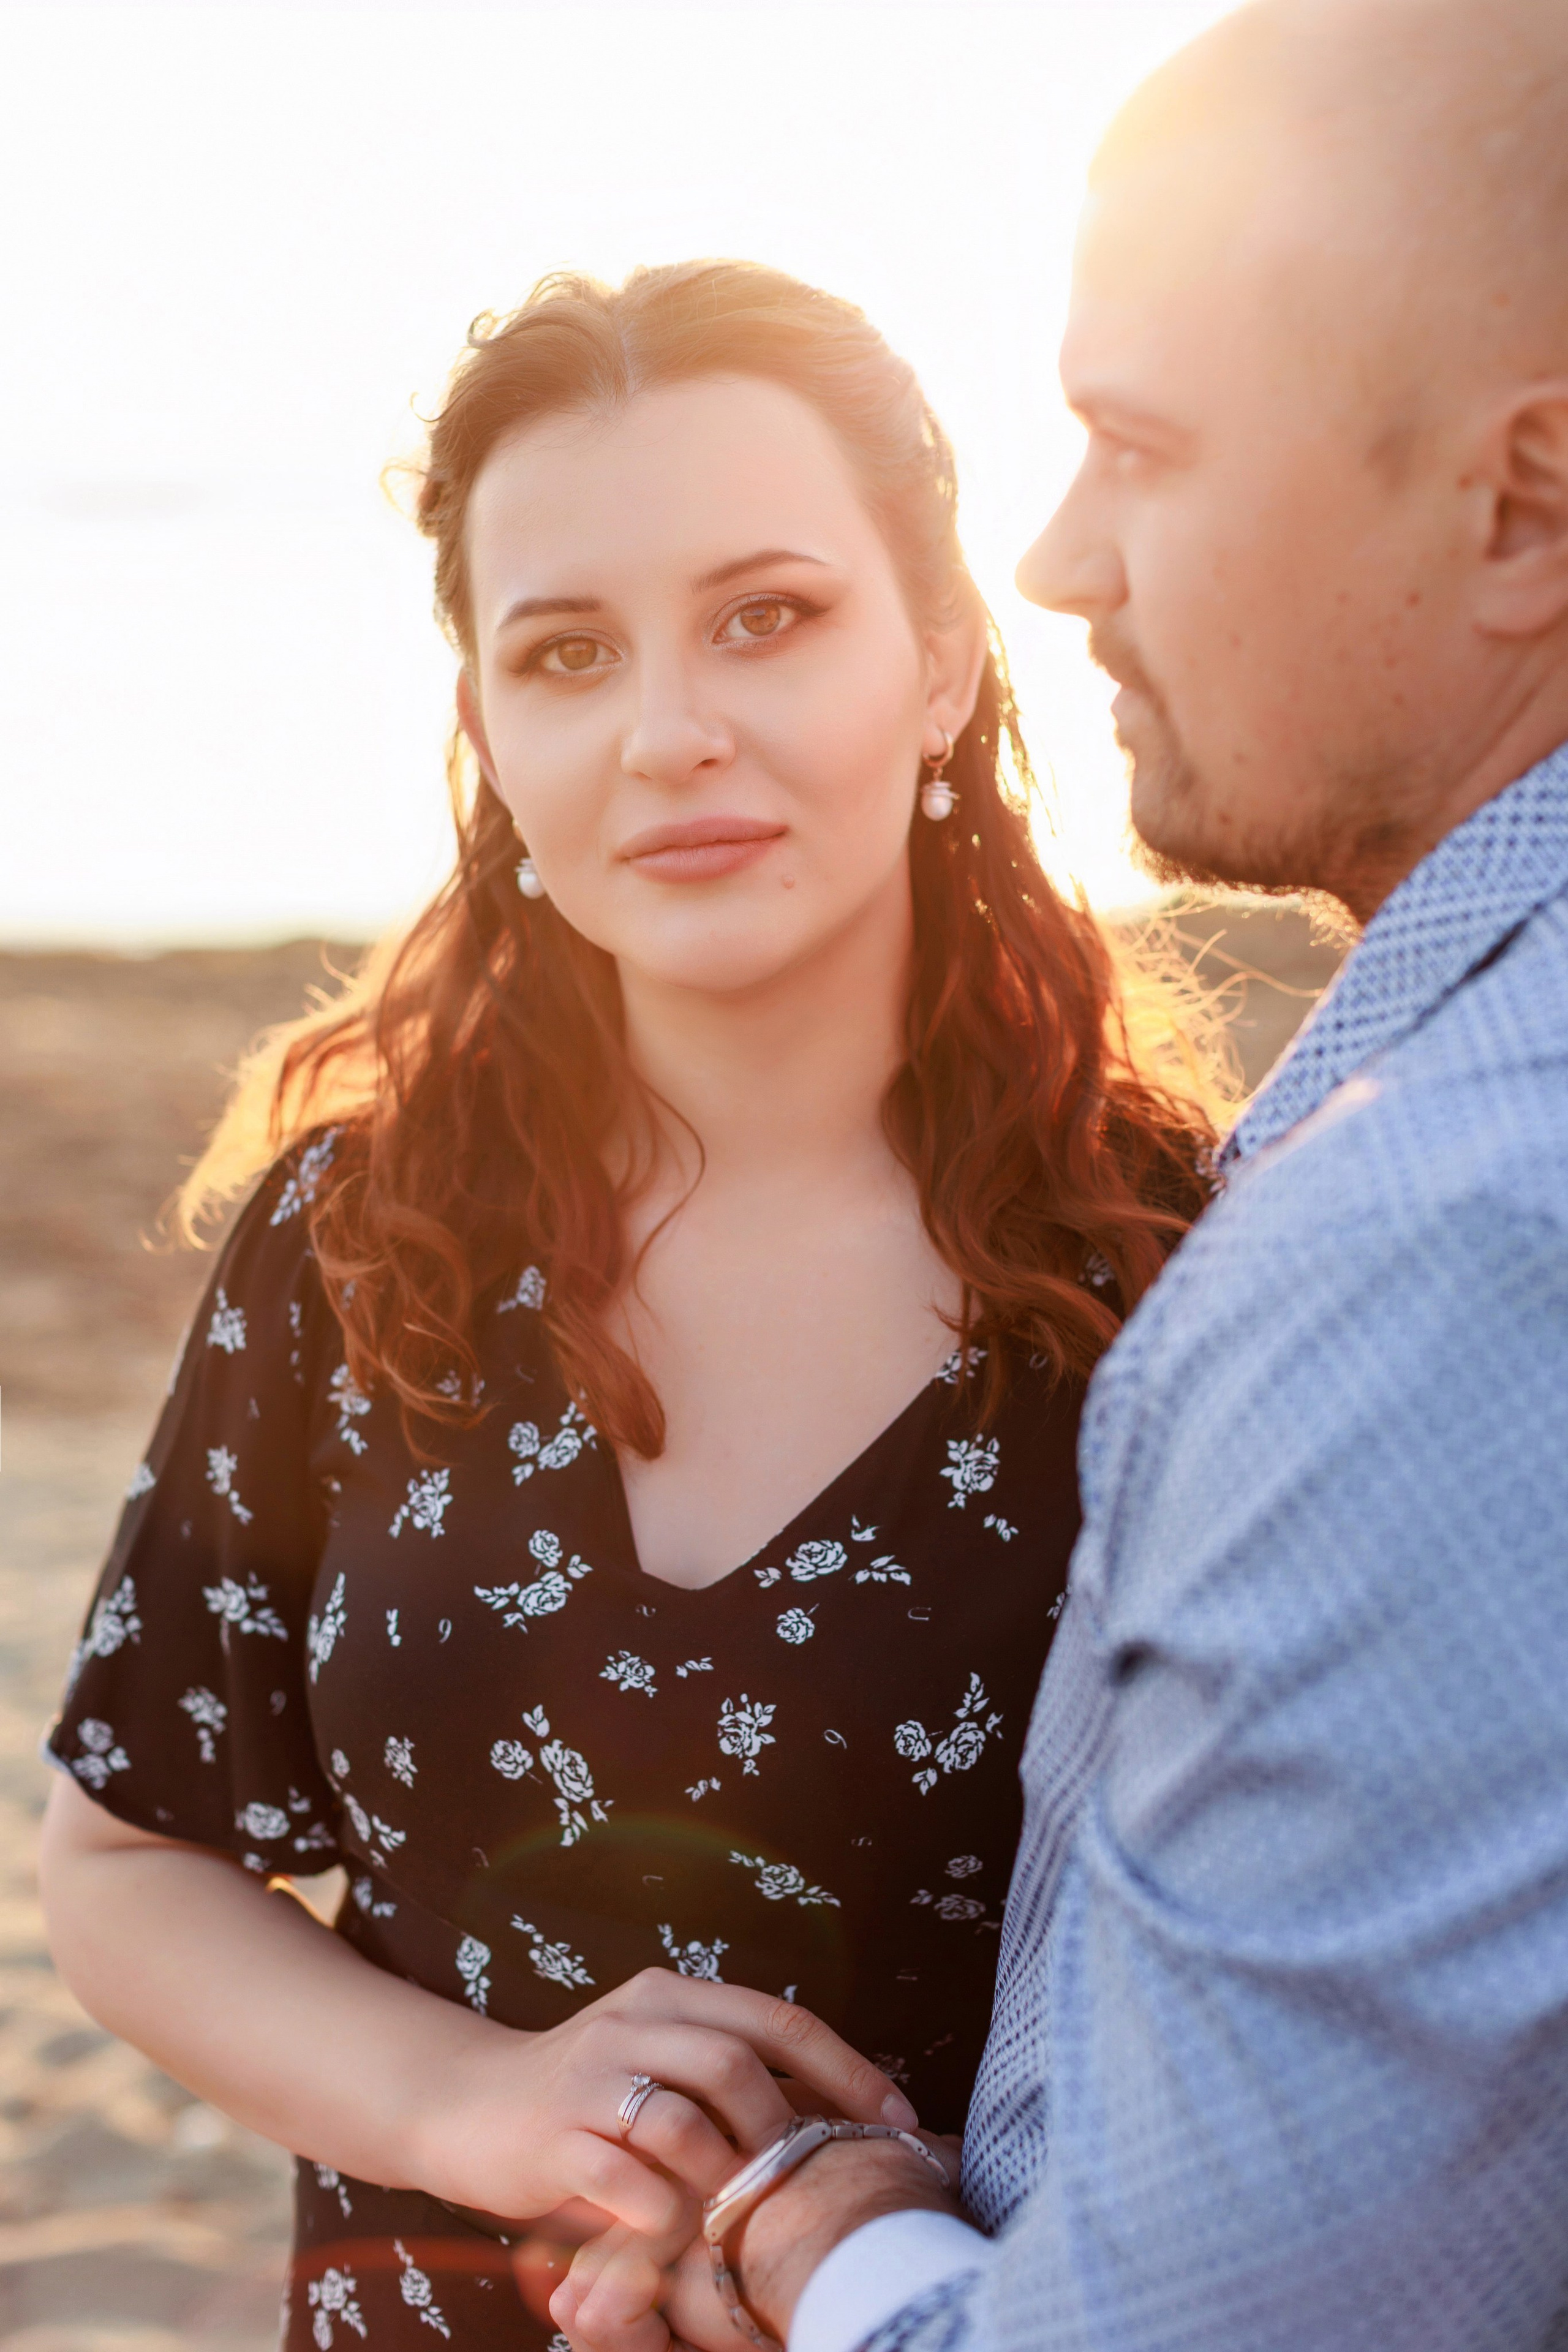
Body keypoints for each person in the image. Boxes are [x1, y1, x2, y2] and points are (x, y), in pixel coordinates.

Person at [36, 262, 1213, 2347]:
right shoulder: (357, 1238)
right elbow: (135, 1866)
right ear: (490, 728)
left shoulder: (1180, 1273)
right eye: (569, 653)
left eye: (767, 615)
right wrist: (482, 2107)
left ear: (942, 658)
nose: (673, 732)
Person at [545, 2, 1568, 2346]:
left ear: (1518, 503)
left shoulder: (1420, 1258)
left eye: (1140, 447)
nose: (1059, 553)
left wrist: (825, 2230)